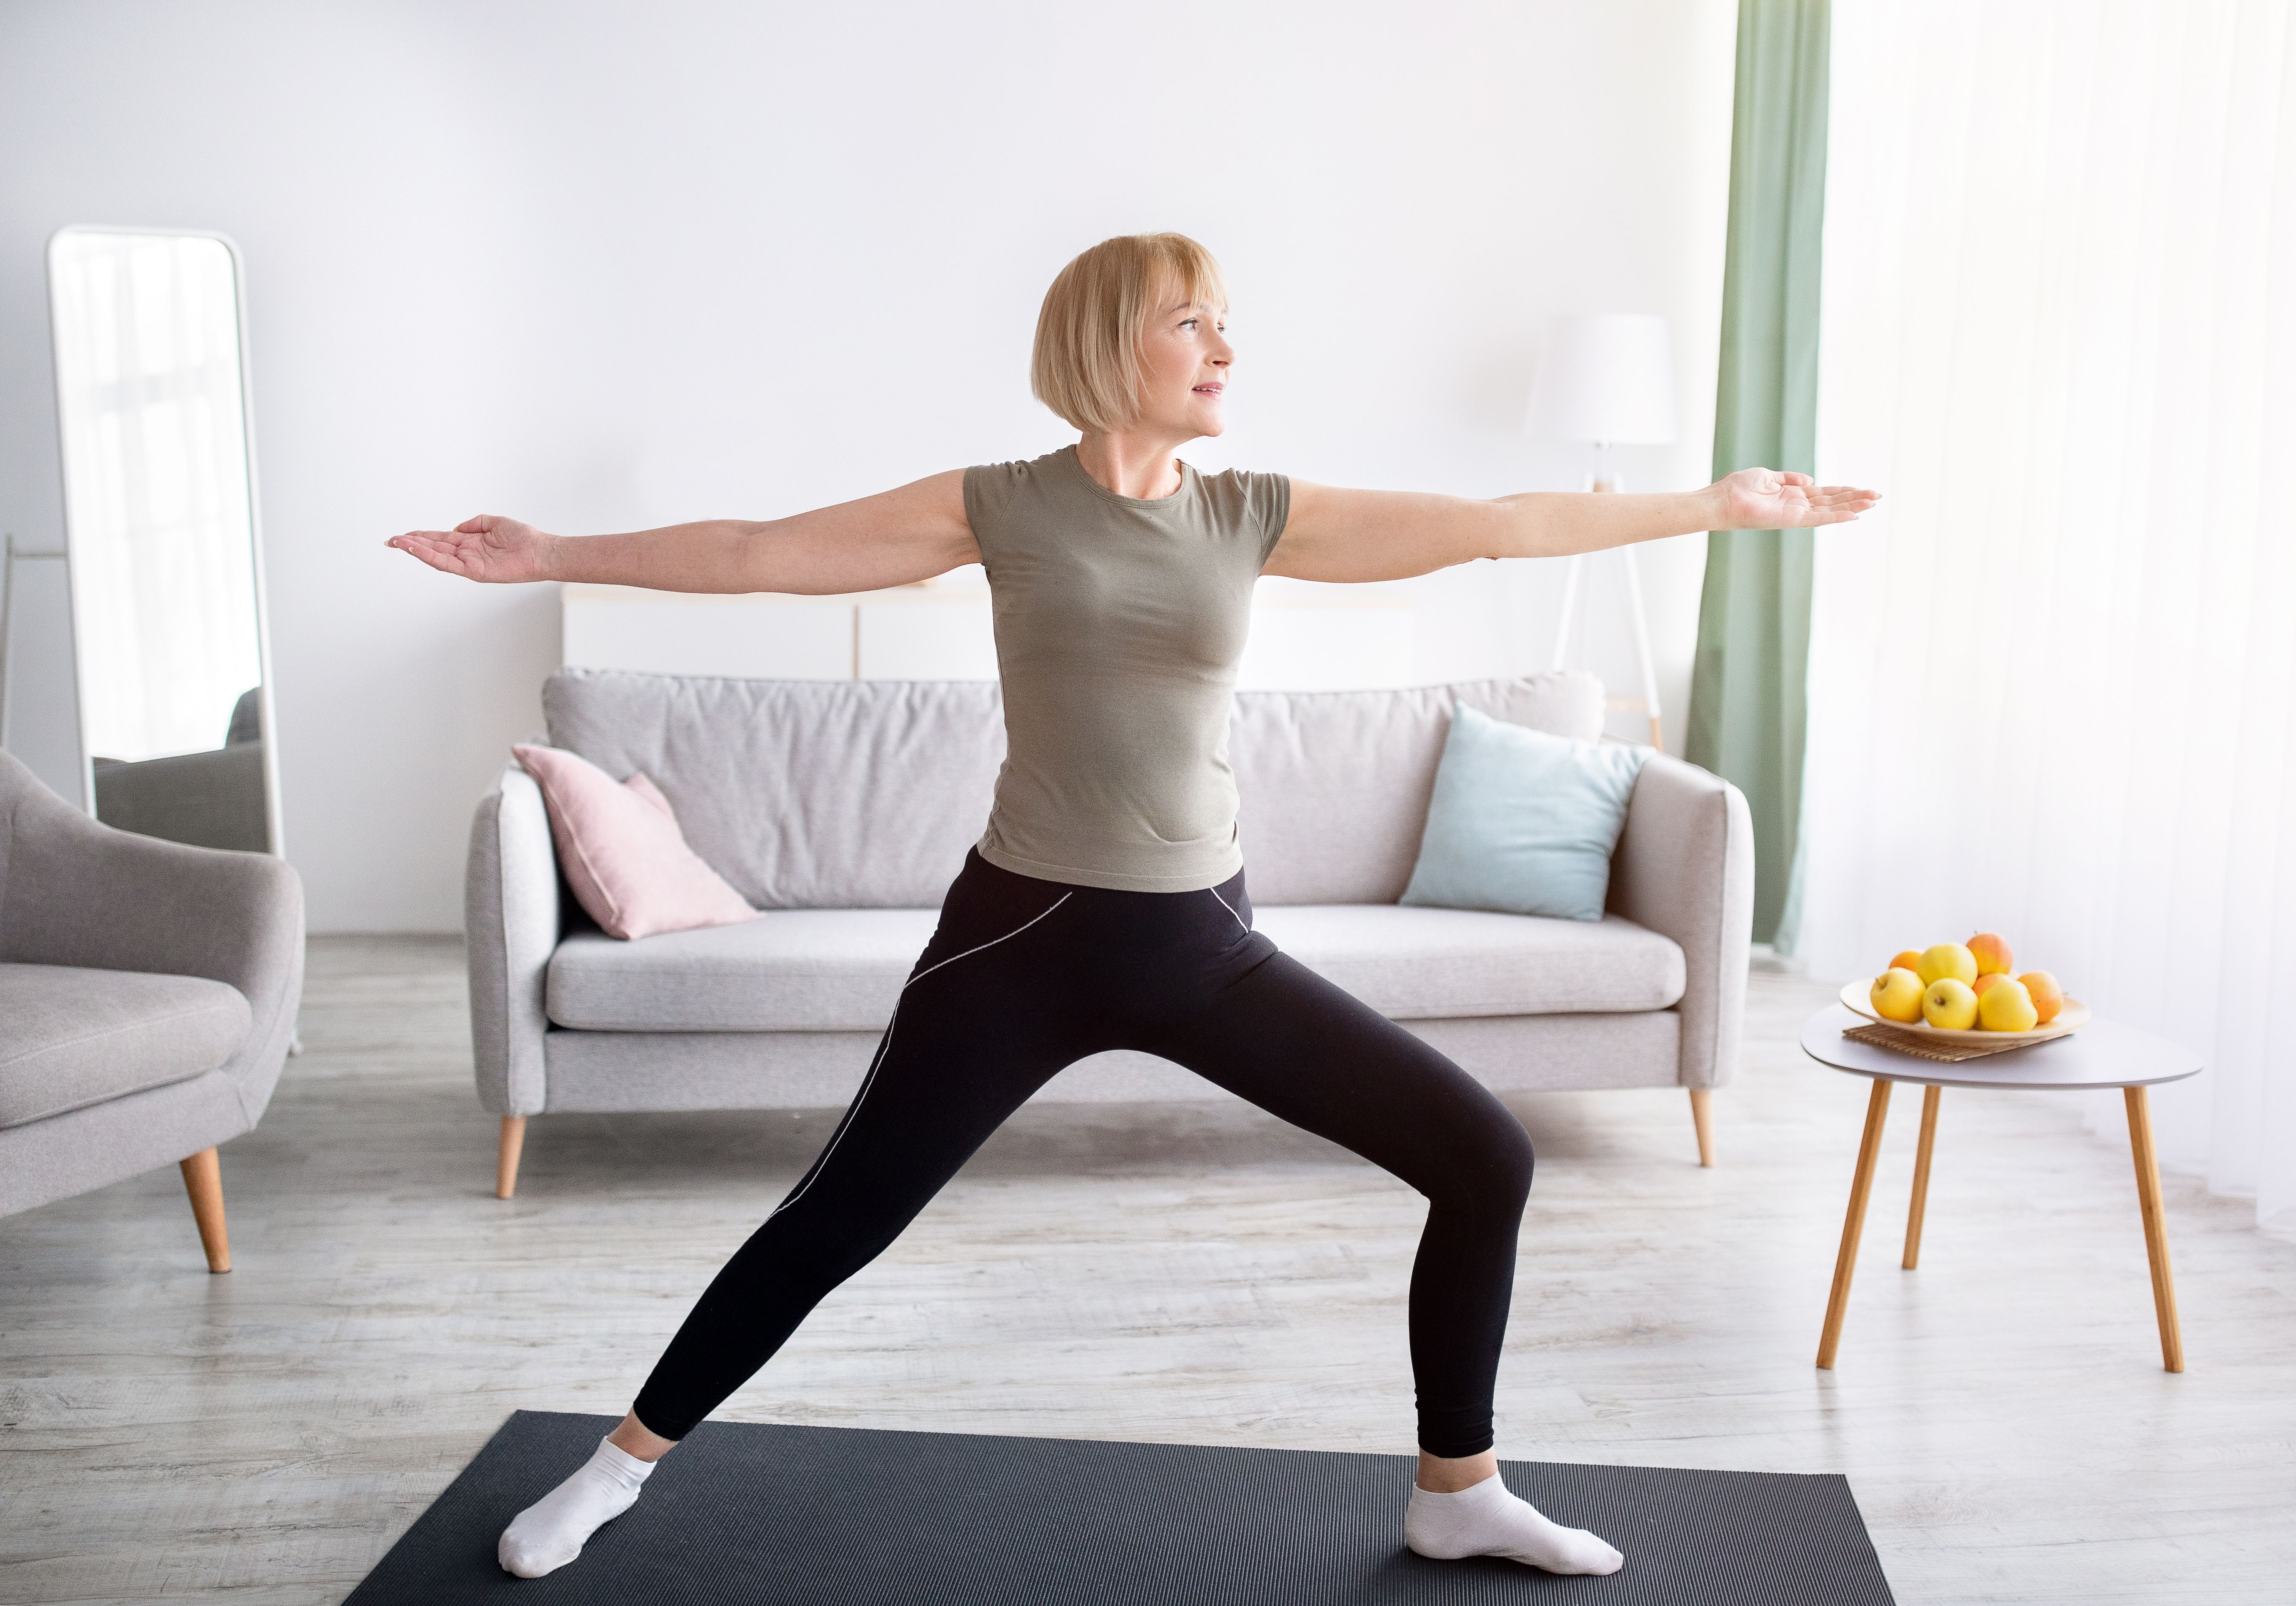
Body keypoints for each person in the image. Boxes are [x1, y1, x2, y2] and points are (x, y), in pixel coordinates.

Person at [390, 232, 1876, 1581]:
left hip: (1201, 941)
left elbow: (1491, 521)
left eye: (1228, 323)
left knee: (1481, 1152)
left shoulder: (1248, 511)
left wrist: (1715, 506)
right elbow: (752, 554)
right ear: (1113, 346)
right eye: (1192, 323)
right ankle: (615, 1469)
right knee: (839, 1216)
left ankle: (1457, 1485)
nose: (1224, 348)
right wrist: (552, 553)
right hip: (1022, 940)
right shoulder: (1004, 505)